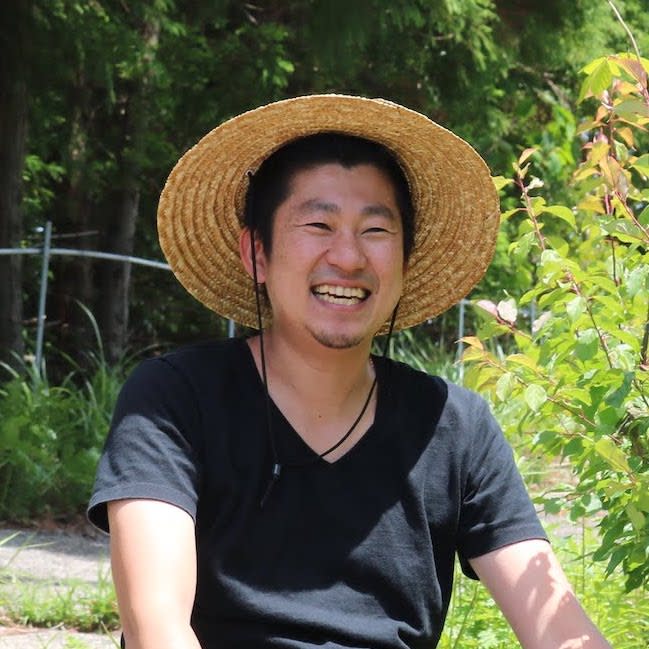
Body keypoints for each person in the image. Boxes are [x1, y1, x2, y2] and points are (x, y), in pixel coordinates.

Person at [88, 95, 611, 649]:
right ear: (256, 253)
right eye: (319, 224)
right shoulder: (175, 399)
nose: (348, 257)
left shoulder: (454, 427)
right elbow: (155, 626)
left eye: (376, 231)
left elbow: (560, 629)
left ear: (405, 261)